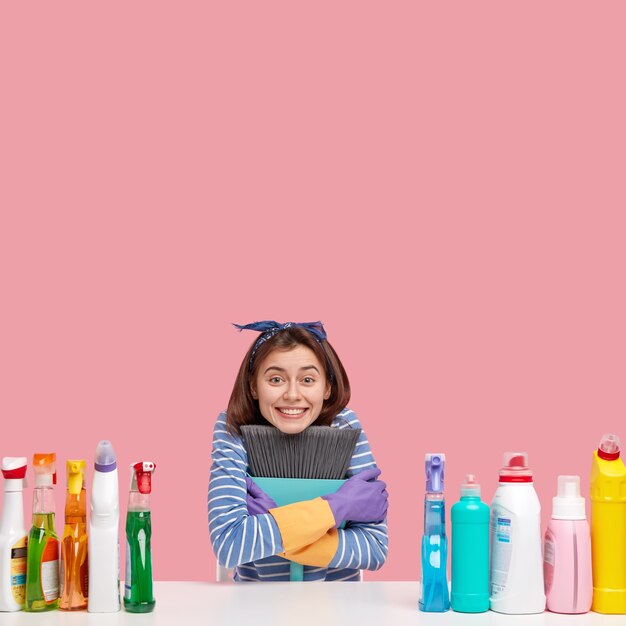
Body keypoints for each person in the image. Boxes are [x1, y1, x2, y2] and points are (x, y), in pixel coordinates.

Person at [208, 321, 388, 581]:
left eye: (307, 379)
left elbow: (375, 549)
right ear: (253, 386)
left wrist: (275, 523)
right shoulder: (233, 429)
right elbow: (228, 544)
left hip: (341, 608)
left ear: (327, 386)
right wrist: (336, 508)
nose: (293, 394)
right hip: (255, 608)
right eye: (276, 379)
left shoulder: (344, 427)